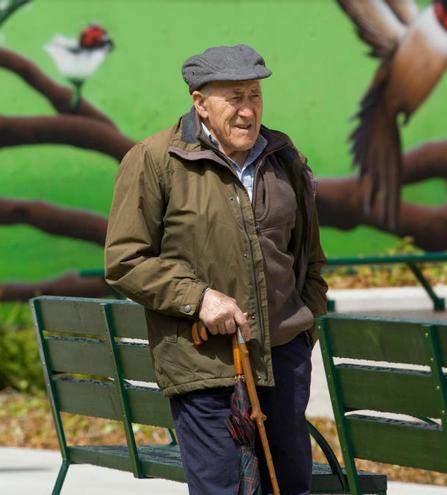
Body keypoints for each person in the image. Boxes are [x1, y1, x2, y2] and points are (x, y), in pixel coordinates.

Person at [104, 45, 328, 494]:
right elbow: (124, 260)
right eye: (234, 98)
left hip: (283, 360)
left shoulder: (285, 159)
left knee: (291, 487)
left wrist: (303, 328)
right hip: (203, 365)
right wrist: (198, 298)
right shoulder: (154, 160)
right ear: (200, 102)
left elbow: (309, 257)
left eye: (255, 95)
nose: (248, 111)